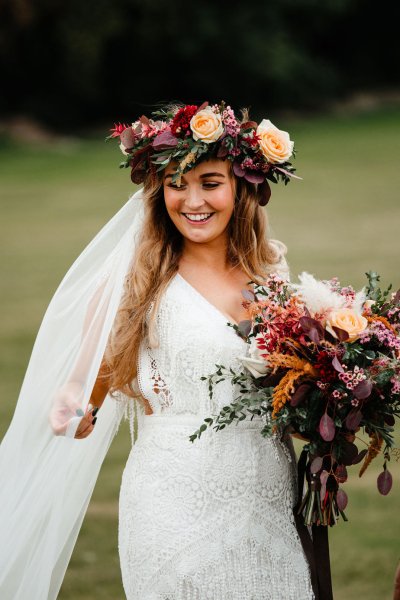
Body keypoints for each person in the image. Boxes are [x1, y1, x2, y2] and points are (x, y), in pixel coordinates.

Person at [0, 101, 315, 599]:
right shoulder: (136, 282)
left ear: (242, 188)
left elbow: (293, 392)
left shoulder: (271, 277)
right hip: (173, 501)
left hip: (268, 500)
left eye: (210, 183)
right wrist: (75, 403)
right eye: (177, 184)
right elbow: (87, 381)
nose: (193, 200)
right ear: (158, 191)